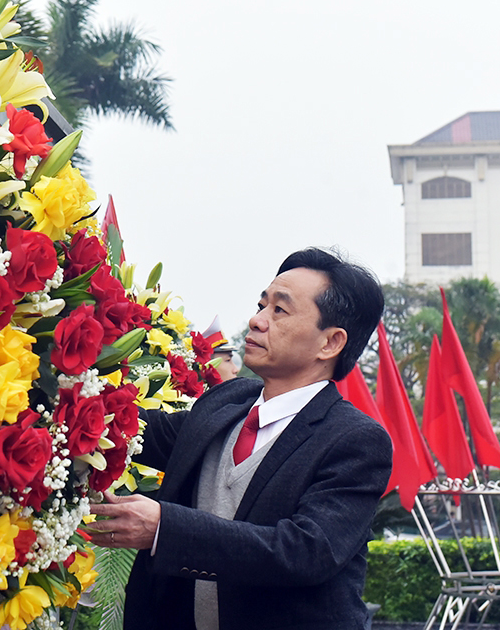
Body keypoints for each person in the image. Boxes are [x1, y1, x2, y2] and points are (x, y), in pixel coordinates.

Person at [91, 247, 393, 630]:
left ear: (330, 343)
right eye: (261, 305)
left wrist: (165, 529)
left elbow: (303, 551)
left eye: (279, 311)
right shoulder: (225, 404)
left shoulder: (355, 441)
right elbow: (135, 429)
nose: (256, 320)